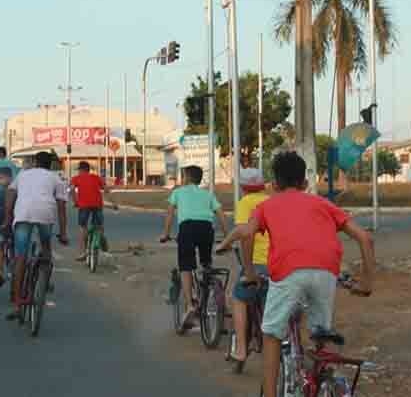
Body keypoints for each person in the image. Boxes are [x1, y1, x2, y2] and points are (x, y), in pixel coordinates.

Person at [217, 151, 375, 397]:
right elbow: (365, 238)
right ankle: (323, 377)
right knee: (319, 332)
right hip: (326, 272)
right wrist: (366, 282)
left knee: (271, 334)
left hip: (288, 272)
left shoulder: (266, 205)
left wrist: (249, 273)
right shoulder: (325, 204)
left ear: (274, 184)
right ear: (305, 183)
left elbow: (246, 234)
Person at [3, 151, 70, 320]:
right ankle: (45, 282)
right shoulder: (56, 178)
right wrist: (63, 233)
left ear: (34, 162)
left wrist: (7, 217)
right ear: (51, 165)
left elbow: (10, 194)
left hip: (23, 214)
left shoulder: (23, 175)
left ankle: (17, 304)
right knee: (46, 247)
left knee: (20, 258)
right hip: (45, 215)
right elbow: (62, 207)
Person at [160, 165, 228, 328]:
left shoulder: (177, 193)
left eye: (182, 176)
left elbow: (170, 214)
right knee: (206, 263)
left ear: (186, 178)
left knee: (185, 266)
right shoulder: (207, 194)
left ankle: (190, 304)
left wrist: (166, 234)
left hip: (187, 229)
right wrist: (227, 236)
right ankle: (207, 287)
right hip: (206, 229)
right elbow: (221, 214)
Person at [227, 168, 271, 365]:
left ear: (243, 187)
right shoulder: (271, 201)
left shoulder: (245, 203)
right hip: (278, 261)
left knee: (237, 298)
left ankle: (242, 349)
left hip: (258, 262)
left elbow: (245, 234)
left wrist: (248, 267)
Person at [70, 161, 112, 261]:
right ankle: (102, 242)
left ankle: (83, 252)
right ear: (88, 170)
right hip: (97, 204)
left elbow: (71, 190)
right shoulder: (96, 177)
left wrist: (75, 202)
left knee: (83, 227)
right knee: (99, 225)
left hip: (83, 205)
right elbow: (106, 189)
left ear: (81, 170)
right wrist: (111, 202)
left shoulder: (76, 179)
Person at [0, 166, 14, 288]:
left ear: (9, 178)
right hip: (16, 223)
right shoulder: (18, 190)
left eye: (1, 178)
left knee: (0, 246)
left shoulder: (1, 193)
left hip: (4, 224)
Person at [0, 147, 18, 219]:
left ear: (0, 154)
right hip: (13, 189)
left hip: (0, 189)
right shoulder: (12, 164)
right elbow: (16, 176)